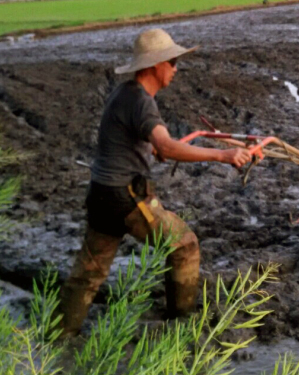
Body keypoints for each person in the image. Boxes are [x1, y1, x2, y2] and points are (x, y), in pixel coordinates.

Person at [57, 28, 253, 336]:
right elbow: (166, 145)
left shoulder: (123, 94)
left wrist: (151, 149)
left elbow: (133, 142)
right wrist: (223, 155)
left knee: (89, 273)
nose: (176, 69)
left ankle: (59, 336)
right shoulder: (142, 102)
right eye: (172, 62)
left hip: (101, 195)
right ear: (154, 66)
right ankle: (181, 324)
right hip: (126, 198)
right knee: (183, 245)